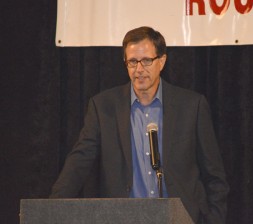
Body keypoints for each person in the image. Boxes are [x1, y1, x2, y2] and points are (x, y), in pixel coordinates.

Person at [50, 26, 229, 224]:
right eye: (132, 62)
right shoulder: (103, 107)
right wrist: (50, 210)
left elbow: (214, 175)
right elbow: (79, 163)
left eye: (146, 61)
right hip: (123, 218)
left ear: (161, 61)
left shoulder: (191, 106)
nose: (139, 69)